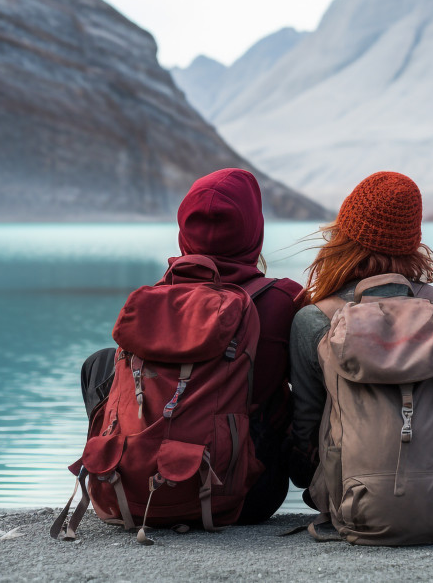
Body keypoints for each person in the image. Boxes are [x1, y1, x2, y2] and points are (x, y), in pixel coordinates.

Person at [78, 168, 304, 524]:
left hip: (133, 493)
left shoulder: (155, 298)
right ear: (253, 229)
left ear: (184, 230)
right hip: (246, 496)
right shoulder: (283, 299)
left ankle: (119, 463)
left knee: (101, 362)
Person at [286, 171, 433, 490]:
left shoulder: (314, 319)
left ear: (344, 237)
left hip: (349, 499)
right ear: (412, 242)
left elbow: (306, 435)